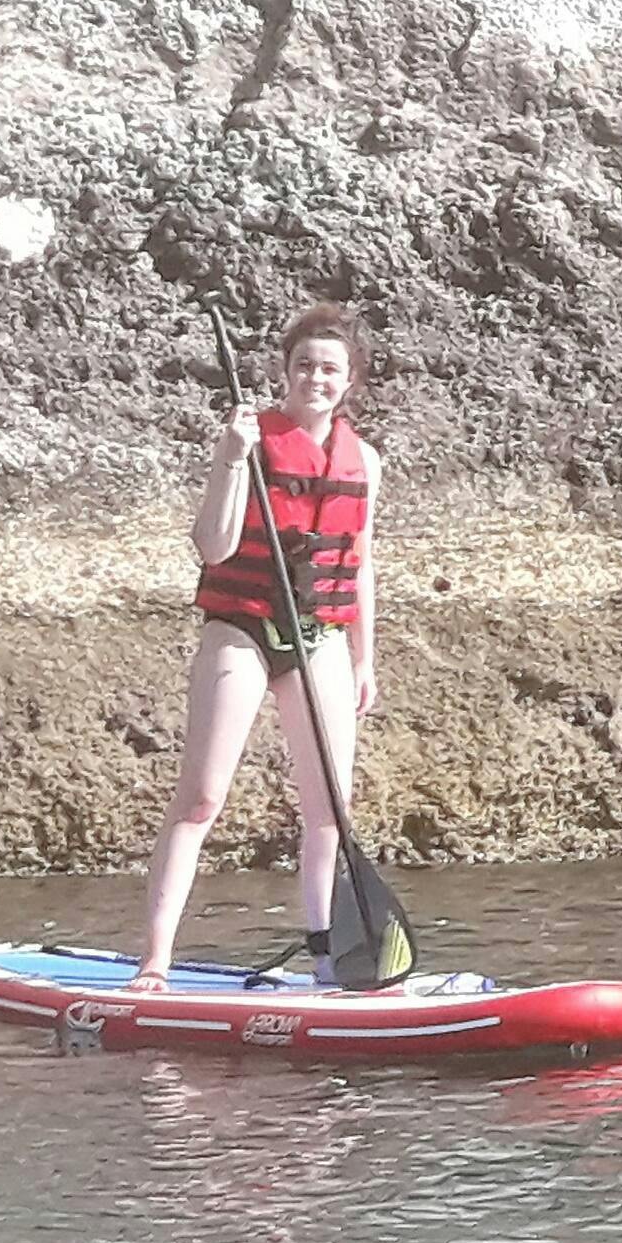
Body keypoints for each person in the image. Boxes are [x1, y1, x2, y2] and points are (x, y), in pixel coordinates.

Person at [129, 304, 380, 989]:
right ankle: (155, 960)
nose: (315, 378)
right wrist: (230, 458)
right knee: (202, 797)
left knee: (330, 807)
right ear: (286, 371)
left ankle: (326, 954)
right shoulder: (250, 439)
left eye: (330, 368)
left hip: (320, 633)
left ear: (349, 379)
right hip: (241, 627)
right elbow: (211, 543)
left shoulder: (365, 460)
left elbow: (358, 563)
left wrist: (365, 658)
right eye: (304, 365)